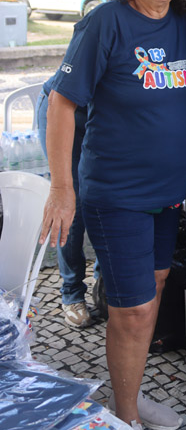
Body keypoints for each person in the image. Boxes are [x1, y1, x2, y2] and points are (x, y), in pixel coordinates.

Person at [39, 0, 186, 430]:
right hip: (116, 192)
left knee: (150, 295)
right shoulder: (104, 22)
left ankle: (125, 392)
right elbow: (63, 103)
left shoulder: (184, 27)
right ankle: (124, 424)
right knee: (131, 312)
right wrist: (62, 187)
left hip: (166, 197)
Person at [36, 80, 99, 328]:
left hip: (106, 117)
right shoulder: (96, 39)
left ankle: (103, 284)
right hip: (64, 108)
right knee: (71, 206)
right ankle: (72, 293)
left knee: (107, 202)